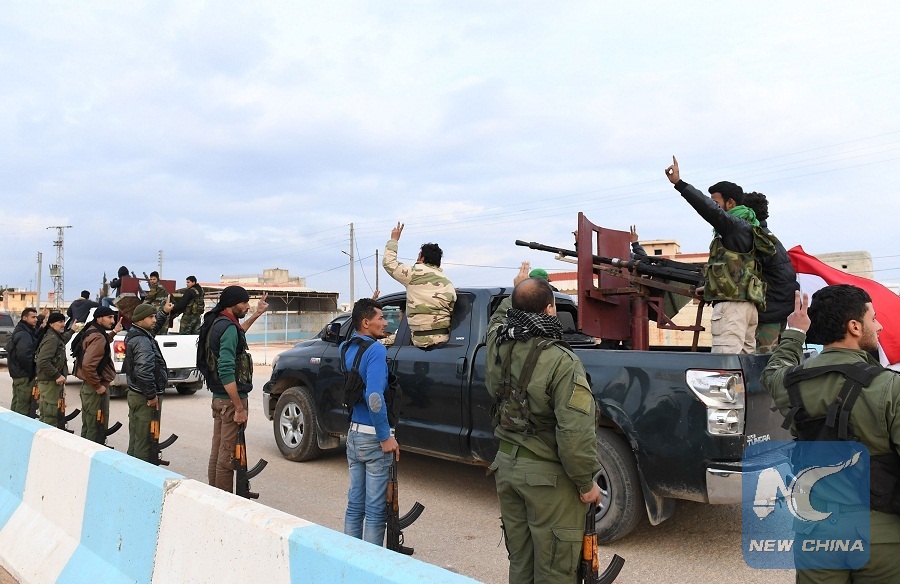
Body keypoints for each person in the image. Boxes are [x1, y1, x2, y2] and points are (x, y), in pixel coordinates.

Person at [761, 286, 900, 582]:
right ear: (854, 327)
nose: (879, 326)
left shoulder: (791, 382)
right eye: (873, 318)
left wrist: (795, 332)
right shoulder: (891, 387)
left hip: (815, 532)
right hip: (880, 535)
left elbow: (772, 371)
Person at [486, 265, 601, 583]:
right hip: (546, 479)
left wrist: (516, 290)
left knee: (520, 563)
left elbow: (496, 322)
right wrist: (586, 484)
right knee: (554, 572)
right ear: (550, 309)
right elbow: (575, 433)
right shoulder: (562, 361)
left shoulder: (499, 344)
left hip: (506, 468)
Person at [665, 156, 775, 354]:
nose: (714, 205)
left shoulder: (734, 226)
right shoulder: (750, 227)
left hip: (732, 309)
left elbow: (708, 210)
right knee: (743, 365)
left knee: (725, 364)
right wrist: (709, 288)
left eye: (716, 202)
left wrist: (679, 184)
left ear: (730, 203)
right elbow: (737, 270)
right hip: (748, 306)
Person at [341, 297, 400, 545]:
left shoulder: (346, 347)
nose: (385, 323)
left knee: (355, 505)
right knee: (375, 511)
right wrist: (385, 437)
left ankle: (349, 558)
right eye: (381, 318)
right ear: (366, 322)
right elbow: (374, 398)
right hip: (373, 438)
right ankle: (369, 563)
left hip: (354, 435)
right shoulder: (376, 350)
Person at [197, 286, 268, 492]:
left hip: (219, 398)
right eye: (244, 303)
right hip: (229, 401)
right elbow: (226, 369)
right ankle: (223, 499)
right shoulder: (227, 328)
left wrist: (257, 314)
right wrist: (238, 407)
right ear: (232, 304)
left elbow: (238, 333)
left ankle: (213, 494)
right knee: (227, 456)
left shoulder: (219, 322)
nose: (247, 306)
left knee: (218, 451)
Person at [742, 191, 800, 353]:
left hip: (770, 313)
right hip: (779, 309)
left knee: (764, 361)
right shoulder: (766, 235)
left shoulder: (757, 239)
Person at [382, 222, 456, 348]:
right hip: (444, 341)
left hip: (420, 341)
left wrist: (394, 239)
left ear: (422, 258)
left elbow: (389, 263)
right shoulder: (448, 283)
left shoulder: (414, 274)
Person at [123, 301, 173, 462]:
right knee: (144, 442)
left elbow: (154, 327)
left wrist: (164, 313)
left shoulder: (138, 334)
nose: (154, 320)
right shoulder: (142, 341)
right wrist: (151, 395)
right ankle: (139, 473)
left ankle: (131, 469)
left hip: (137, 392)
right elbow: (144, 371)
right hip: (144, 397)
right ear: (139, 319)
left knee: (137, 438)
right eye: (151, 317)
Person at [72, 306, 122, 442]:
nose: (113, 321)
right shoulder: (98, 336)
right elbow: (88, 365)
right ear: (99, 319)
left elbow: (101, 343)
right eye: (109, 317)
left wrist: (114, 333)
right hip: (94, 388)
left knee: (89, 425)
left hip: (89, 387)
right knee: (95, 428)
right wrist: (98, 386)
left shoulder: (92, 330)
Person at [35, 312, 75, 426]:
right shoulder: (52, 339)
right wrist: (57, 375)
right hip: (50, 382)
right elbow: (42, 361)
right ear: (51, 324)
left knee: (46, 415)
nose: (63, 324)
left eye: (63, 321)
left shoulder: (55, 336)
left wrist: (72, 331)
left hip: (48, 382)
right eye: (60, 322)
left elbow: (62, 341)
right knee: (50, 416)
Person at [7, 308, 39, 416]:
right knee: (23, 406)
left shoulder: (22, 330)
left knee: (17, 402)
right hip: (23, 375)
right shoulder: (24, 334)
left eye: (36, 317)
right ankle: (17, 426)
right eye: (33, 317)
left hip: (18, 373)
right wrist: (31, 372)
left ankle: (12, 424)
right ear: (25, 318)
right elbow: (23, 355)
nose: (36, 320)